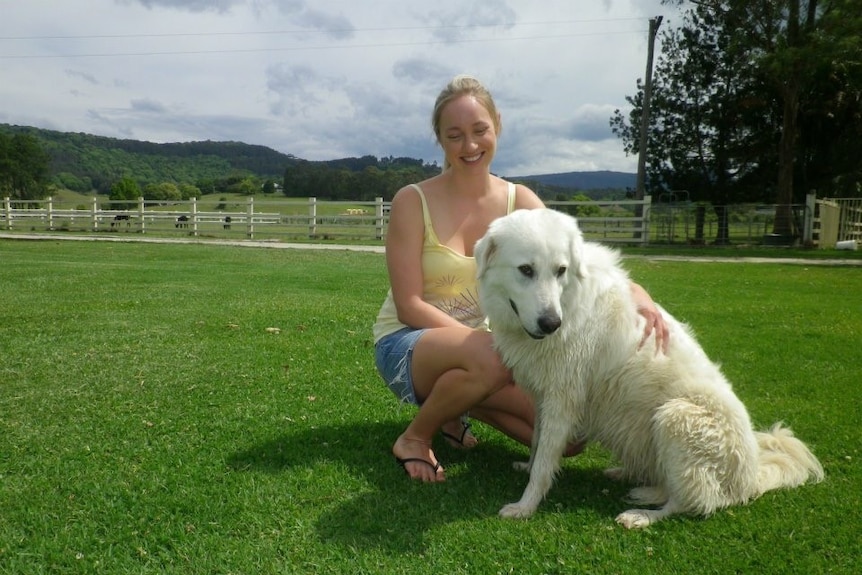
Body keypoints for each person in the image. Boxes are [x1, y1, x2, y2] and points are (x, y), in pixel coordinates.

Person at [372, 75, 668, 482]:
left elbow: (577, 259)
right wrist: (482, 344)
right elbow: (410, 305)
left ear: (497, 126)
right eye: (454, 135)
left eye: (480, 131)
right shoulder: (413, 200)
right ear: (440, 139)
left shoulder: (519, 202)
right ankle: (415, 437)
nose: (470, 146)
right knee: (493, 357)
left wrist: (638, 293)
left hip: (485, 355)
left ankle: (456, 403)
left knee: (569, 435)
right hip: (407, 343)